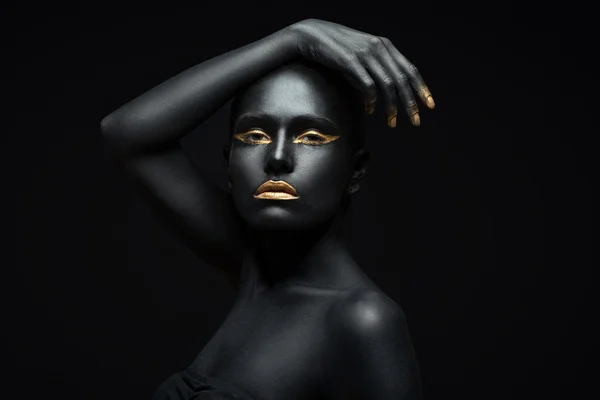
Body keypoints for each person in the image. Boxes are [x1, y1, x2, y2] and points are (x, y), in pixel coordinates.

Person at [100, 18, 435, 400]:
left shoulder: (364, 320)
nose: (277, 159)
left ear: (355, 171)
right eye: (255, 135)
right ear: (229, 162)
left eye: (310, 137)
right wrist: (293, 39)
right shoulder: (251, 264)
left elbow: (128, 136)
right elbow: (126, 132)